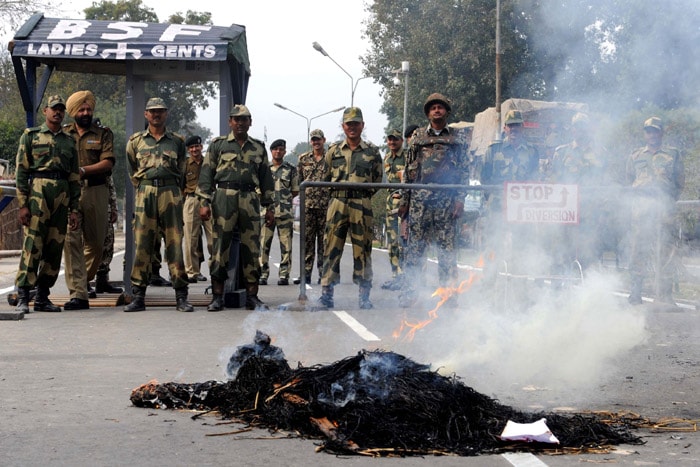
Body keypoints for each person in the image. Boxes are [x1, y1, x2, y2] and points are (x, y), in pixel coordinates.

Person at [197, 104, 275, 311]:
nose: (240, 123)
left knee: (251, 248)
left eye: (245, 119)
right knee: (220, 246)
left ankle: (252, 296)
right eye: (236, 119)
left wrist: (270, 207)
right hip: (224, 197)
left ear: (251, 122)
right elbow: (206, 175)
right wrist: (204, 202)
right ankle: (217, 296)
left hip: (250, 198)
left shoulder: (258, 147)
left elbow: (266, 179)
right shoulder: (218, 145)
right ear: (230, 122)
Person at [398, 93, 470, 308]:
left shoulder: (457, 138)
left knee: (447, 251)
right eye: (433, 108)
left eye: (440, 107)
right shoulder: (418, 138)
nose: (436, 110)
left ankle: (448, 295)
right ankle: (411, 293)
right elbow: (409, 173)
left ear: (446, 112)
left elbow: (464, 172)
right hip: (420, 200)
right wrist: (405, 206)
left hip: (446, 201)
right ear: (428, 113)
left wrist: (460, 200)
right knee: (415, 250)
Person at [124, 97, 193, 313]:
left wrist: (171, 188)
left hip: (170, 193)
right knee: (143, 245)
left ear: (166, 114)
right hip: (145, 193)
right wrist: (146, 187)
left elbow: (182, 169)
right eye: (152, 111)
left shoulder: (177, 141)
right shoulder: (135, 141)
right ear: (146, 114)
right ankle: (138, 297)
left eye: (160, 111)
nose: (156, 114)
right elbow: (131, 169)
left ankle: (181, 296)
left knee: (174, 243)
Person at [14, 95, 80, 313]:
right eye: (54, 109)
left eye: (61, 109)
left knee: (55, 247)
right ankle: (24, 294)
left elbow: (73, 177)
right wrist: (23, 204)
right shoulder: (30, 136)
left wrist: (74, 209)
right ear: (45, 111)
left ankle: (42, 296)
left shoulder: (69, 141)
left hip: (61, 193)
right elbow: (22, 172)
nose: (57, 112)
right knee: (33, 244)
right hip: (38, 192)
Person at [318, 107, 382, 309]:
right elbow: (325, 178)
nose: (352, 127)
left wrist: (361, 196)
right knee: (331, 248)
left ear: (362, 125)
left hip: (361, 204)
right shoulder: (333, 151)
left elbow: (377, 180)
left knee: (363, 249)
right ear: (343, 126)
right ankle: (327, 293)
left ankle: (364, 296)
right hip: (337, 203)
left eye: (356, 123)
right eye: (349, 124)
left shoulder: (372, 152)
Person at [61, 90, 115, 310]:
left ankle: (80, 281)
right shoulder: (64, 134)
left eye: (88, 109)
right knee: (71, 241)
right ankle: (78, 294)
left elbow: (108, 163)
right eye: (81, 109)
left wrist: (83, 170)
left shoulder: (103, 134)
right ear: (73, 112)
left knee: (96, 244)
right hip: (70, 193)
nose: (85, 113)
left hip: (95, 191)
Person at [626, 116, 684, 305]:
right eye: (648, 131)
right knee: (638, 250)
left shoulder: (672, 154)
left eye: (655, 131)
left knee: (666, 251)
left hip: (664, 211)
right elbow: (629, 180)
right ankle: (635, 293)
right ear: (645, 134)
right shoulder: (635, 156)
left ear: (662, 132)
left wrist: (666, 200)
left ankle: (666, 295)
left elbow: (679, 182)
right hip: (641, 211)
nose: (652, 135)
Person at [547, 112, 609, 273]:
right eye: (576, 127)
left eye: (583, 126)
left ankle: (588, 289)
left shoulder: (600, 153)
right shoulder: (561, 152)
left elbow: (606, 182)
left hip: (591, 210)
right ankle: (558, 288)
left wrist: (604, 210)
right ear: (572, 130)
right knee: (562, 249)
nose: (580, 130)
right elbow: (553, 181)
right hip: (566, 210)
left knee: (590, 251)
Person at [259, 139, 299, 286]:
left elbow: (295, 190)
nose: (278, 152)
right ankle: (262, 274)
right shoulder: (264, 169)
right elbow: (258, 189)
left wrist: (283, 200)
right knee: (263, 245)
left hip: (284, 213)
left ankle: (284, 275)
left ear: (285, 151)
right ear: (271, 151)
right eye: (275, 149)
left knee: (286, 245)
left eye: (281, 149)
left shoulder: (291, 169)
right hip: (266, 212)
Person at [294, 129, 330, 285]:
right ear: (311, 142)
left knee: (324, 243)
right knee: (307, 242)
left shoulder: (331, 158)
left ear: (324, 140)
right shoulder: (303, 159)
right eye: (314, 140)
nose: (316, 142)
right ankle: (305, 274)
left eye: (319, 140)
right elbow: (299, 182)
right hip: (308, 207)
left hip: (326, 206)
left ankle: (323, 275)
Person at [182, 135, 213, 283]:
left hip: (209, 200)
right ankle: (192, 272)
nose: (195, 149)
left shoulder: (209, 162)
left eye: (197, 146)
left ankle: (216, 269)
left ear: (201, 147)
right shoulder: (184, 164)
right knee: (191, 239)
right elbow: (180, 185)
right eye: (191, 147)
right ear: (188, 150)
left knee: (214, 238)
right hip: (191, 199)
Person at [381, 129, 407, 291]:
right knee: (392, 243)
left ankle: (406, 277)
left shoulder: (408, 157)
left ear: (401, 141)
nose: (392, 143)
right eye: (389, 140)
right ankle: (395, 275)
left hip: (404, 205)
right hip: (391, 205)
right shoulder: (387, 158)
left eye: (395, 140)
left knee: (403, 242)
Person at [94, 174, 124, 294]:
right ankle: (83, 283)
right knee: (88, 244)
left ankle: (102, 280)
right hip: (87, 201)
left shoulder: (104, 163)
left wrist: (113, 207)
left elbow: (110, 185)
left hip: (104, 205)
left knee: (108, 242)